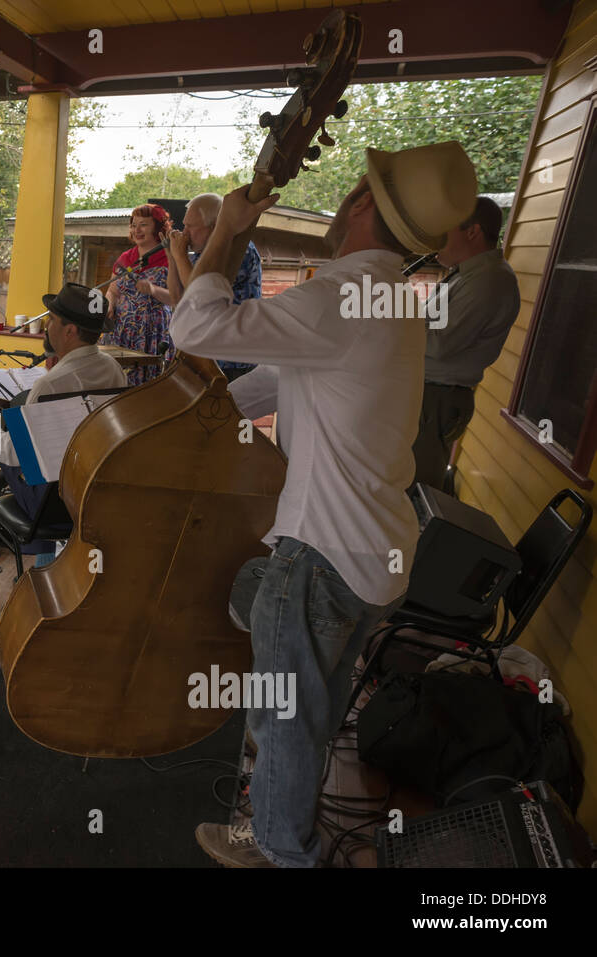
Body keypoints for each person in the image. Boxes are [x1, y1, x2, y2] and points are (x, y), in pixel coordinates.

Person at [170, 141, 478, 868]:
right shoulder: (390, 300)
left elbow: (192, 326)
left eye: (355, 190)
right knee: (306, 716)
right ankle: (269, 821)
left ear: (364, 205)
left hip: (320, 557)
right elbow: (282, 378)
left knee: (285, 720)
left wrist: (225, 230)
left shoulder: (342, 293)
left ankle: (282, 850)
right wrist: (203, 415)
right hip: (375, 560)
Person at [0, 282, 127, 564]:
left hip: (55, 505)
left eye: (51, 320)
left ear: (70, 331)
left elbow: (12, 454)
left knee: (8, 447)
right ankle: (56, 561)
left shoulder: (50, 384)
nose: (46, 327)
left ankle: (45, 559)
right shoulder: (115, 370)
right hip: (97, 490)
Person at [412, 196, 520, 490]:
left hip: (435, 400)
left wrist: (401, 316)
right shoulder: (466, 276)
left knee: (411, 485)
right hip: (428, 395)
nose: (436, 241)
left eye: (443, 232)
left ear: (472, 232)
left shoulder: (489, 281)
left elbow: (439, 345)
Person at [166, 192, 264, 382]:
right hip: (208, 356)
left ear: (213, 228)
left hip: (232, 359)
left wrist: (180, 257)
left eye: (191, 226)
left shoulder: (239, 250)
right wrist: (172, 257)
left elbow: (199, 294)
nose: (184, 232)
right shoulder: (200, 257)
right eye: (184, 225)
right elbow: (178, 298)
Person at [104, 204, 174, 387]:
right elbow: (112, 290)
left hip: (152, 336)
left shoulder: (171, 257)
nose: (137, 230)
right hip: (120, 335)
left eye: (143, 225)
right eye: (133, 225)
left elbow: (179, 299)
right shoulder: (126, 258)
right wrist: (109, 303)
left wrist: (153, 290)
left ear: (159, 228)